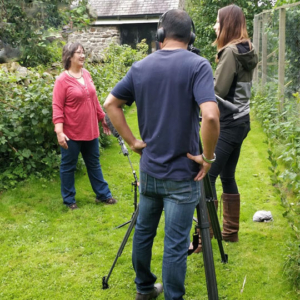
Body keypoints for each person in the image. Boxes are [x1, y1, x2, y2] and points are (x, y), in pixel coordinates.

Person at [104, 9, 220, 300]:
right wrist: (207, 157)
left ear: (159, 35)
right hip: (183, 175)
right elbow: (211, 117)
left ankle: (144, 289)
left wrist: (133, 141)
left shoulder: (140, 67)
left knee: (143, 232)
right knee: (175, 243)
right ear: (191, 37)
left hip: (151, 172)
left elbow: (110, 104)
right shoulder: (198, 65)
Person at [208, 4, 258, 242]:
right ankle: (229, 233)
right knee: (227, 175)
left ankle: (206, 236)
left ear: (227, 24)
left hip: (229, 123)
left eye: (218, 22)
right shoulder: (246, 49)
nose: (215, 26)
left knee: (207, 177)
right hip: (242, 119)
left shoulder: (230, 52)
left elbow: (217, 91)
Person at [52, 42, 117, 210]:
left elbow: (93, 100)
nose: (82, 56)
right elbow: (57, 107)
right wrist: (59, 131)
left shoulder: (86, 74)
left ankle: (103, 195)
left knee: (94, 163)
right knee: (68, 166)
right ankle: (69, 200)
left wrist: (102, 117)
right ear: (69, 56)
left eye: (83, 52)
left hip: (90, 130)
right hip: (71, 132)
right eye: (78, 53)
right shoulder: (62, 80)